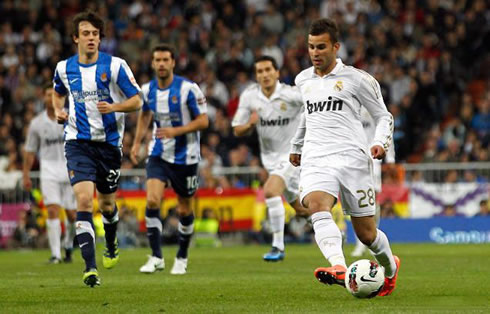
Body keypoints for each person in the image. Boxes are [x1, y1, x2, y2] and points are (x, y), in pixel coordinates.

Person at [289, 18, 400, 296]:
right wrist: (297, 145)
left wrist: (379, 143)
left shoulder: (358, 79)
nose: (315, 52)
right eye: (311, 47)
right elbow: (307, 114)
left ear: (336, 47)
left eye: (321, 46)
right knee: (317, 205)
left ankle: (391, 268)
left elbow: (383, 116)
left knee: (366, 234)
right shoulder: (302, 80)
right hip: (317, 157)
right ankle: (338, 266)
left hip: (352, 159)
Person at [52, 11, 142, 287]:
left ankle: (111, 242)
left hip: (109, 146)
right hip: (78, 143)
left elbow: (137, 100)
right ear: (76, 38)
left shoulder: (115, 66)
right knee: (83, 201)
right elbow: (57, 92)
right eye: (86, 33)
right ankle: (90, 268)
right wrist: (58, 110)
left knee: (106, 204)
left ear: (100, 39)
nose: (91, 38)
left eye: (96, 34)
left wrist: (114, 107)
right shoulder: (63, 68)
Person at [130, 44, 208, 275]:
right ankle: (156, 256)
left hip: (187, 157)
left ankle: (182, 257)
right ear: (153, 63)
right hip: (159, 153)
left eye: (166, 60)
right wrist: (136, 142)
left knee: (184, 208)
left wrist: (177, 131)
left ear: (173, 62)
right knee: (152, 200)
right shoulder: (147, 90)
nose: (161, 64)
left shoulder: (188, 89)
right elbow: (144, 114)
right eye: (157, 60)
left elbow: (203, 121)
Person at [231, 55, 308, 261]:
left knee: (271, 190)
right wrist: (250, 124)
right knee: (301, 209)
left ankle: (277, 247)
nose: (264, 75)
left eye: (268, 70)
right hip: (270, 160)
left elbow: (314, 105)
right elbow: (237, 129)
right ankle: (332, 227)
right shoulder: (249, 96)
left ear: (277, 73)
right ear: (256, 75)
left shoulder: (291, 94)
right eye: (260, 71)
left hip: (293, 156)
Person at [23, 84, 77, 264]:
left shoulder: (72, 116)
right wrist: (26, 174)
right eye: (47, 95)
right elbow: (30, 151)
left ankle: (68, 245)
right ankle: (56, 254)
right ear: (43, 98)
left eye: (54, 94)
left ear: (61, 97)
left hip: (70, 167)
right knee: (52, 210)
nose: (50, 98)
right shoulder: (37, 123)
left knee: (72, 215)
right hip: (48, 170)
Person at [351, 106, 396, 257]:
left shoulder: (371, 104)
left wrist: (390, 158)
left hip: (372, 158)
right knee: (355, 199)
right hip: (351, 157)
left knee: (372, 199)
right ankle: (363, 239)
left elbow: (386, 128)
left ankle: (370, 239)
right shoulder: (347, 101)